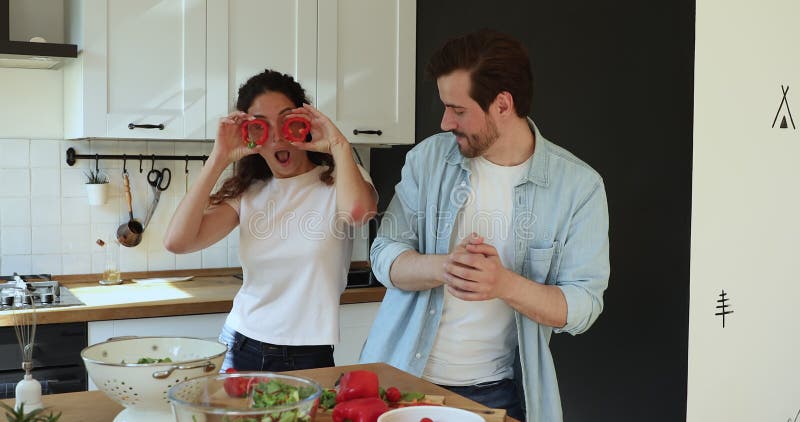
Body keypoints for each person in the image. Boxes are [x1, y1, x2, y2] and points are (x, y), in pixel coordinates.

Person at [359, 29, 610, 421]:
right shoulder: (428, 160)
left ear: (503, 104)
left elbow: (583, 306)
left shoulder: (579, 187)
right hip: (399, 381)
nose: (444, 122)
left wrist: (502, 283)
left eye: (458, 110)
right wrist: (443, 266)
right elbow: (383, 254)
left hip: (495, 396)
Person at [164, 69, 377, 372]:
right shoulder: (249, 192)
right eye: (261, 127)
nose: (277, 136)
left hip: (308, 355)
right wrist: (219, 158)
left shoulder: (340, 179)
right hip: (239, 345)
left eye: (287, 121)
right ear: (250, 135)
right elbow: (178, 242)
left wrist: (337, 145)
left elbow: (359, 213)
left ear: (304, 122)